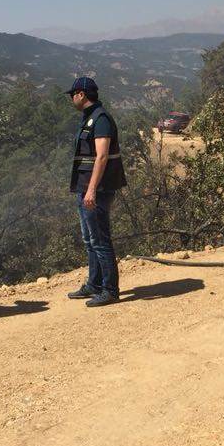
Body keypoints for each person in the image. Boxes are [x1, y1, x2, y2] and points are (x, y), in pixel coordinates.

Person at [65, 77, 128, 307]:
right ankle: (94, 284)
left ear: (81, 94)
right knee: (89, 239)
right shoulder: (89, 118)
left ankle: (110, 289)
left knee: (100, 239)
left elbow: (101, 156)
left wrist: (91, 189)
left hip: (97, 190)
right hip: (86, 189)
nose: (71, 98)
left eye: (73, 94)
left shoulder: (100, 119)